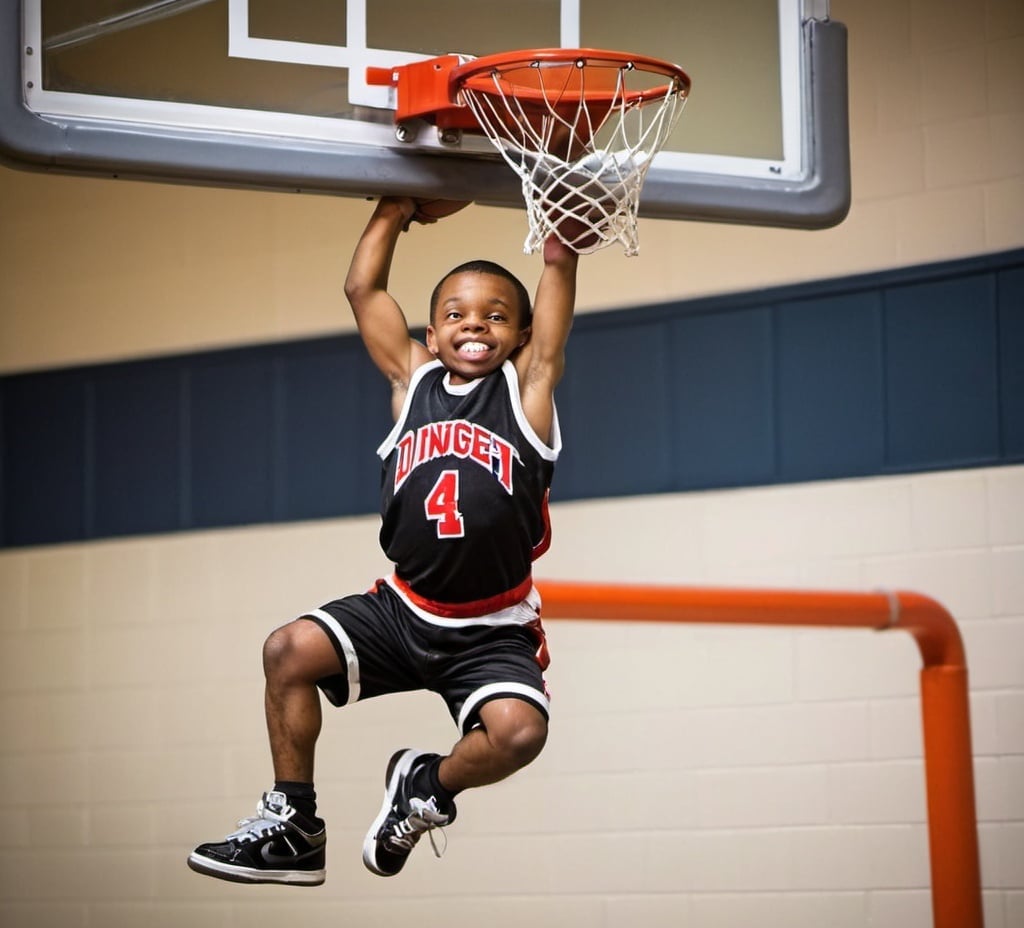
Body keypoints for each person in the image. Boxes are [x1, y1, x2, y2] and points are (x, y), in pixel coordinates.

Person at [187, 195, 580, 885]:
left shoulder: (528, 391)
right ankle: (294, 825)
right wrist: (395, 208)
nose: (475, 325)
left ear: (519, 337)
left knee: (521, 734)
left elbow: (554, 317)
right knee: (287, 651)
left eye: (496, 315)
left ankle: (429, 785)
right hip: (402, 609)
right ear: (432, 333)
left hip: (488, 626)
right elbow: (361, 288)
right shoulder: (413, 381)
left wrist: (560, 247)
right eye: (456, 313)